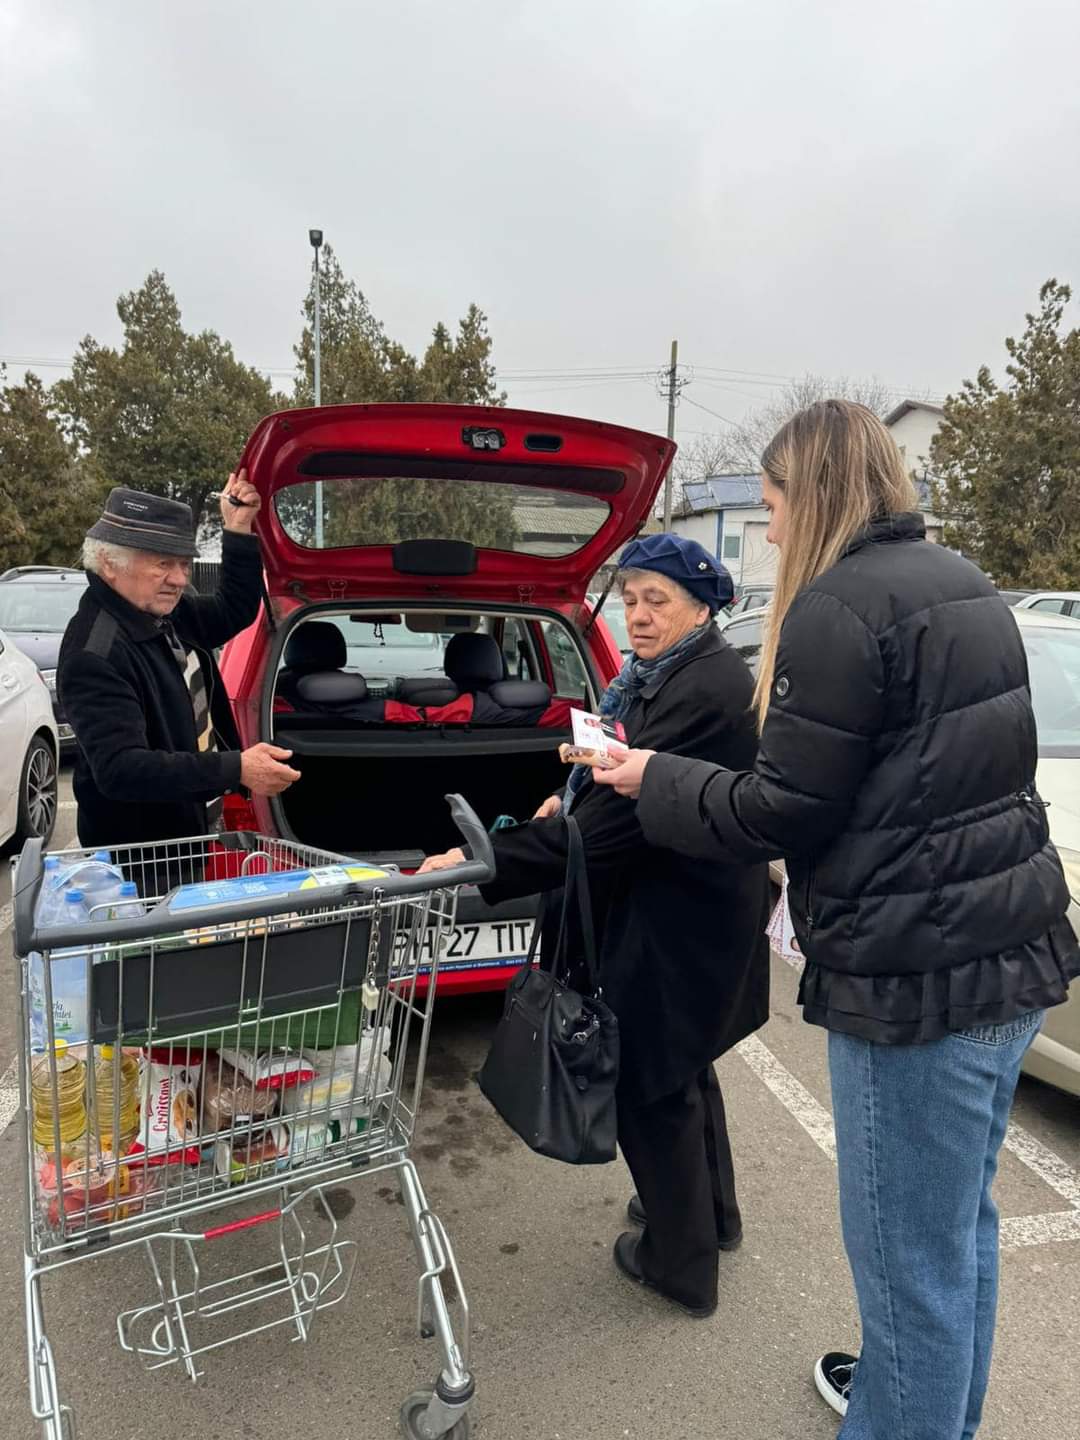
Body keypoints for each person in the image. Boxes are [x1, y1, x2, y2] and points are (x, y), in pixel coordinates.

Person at [596, 402, 1080, 1438]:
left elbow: (783, 810)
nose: (768, 529)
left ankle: (906, 1418)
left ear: (811, 492)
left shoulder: (836, 608)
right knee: (957, 1236)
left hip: (917, 984)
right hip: (1013, 955)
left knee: (909, 1266)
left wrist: (651, 776)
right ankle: (934, 1415)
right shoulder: (963, 582)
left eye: (772, 502)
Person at [420, 534, 770, 1319]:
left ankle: (678, 1266)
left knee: (649, 1083)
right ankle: (710, 1216)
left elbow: (608, 832)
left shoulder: (702, 689)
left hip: (680, 916)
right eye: (632, 599)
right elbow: (608, 773)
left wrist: (482, 860)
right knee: (684, 1068)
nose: (638, 617)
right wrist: (567, 792)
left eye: (657, 601)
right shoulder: (659, 672)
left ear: (702, 608)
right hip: (679, 905)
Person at [59, 474, 301, 855]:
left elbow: (233, 610)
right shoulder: (94, 654)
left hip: (190, 833)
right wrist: (236, 768)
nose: (178, 579)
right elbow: (121, 769)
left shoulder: (162, 610)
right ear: (109, 563)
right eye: (163, 563)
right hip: (141, 861)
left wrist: (238, 528)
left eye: (184, 564)